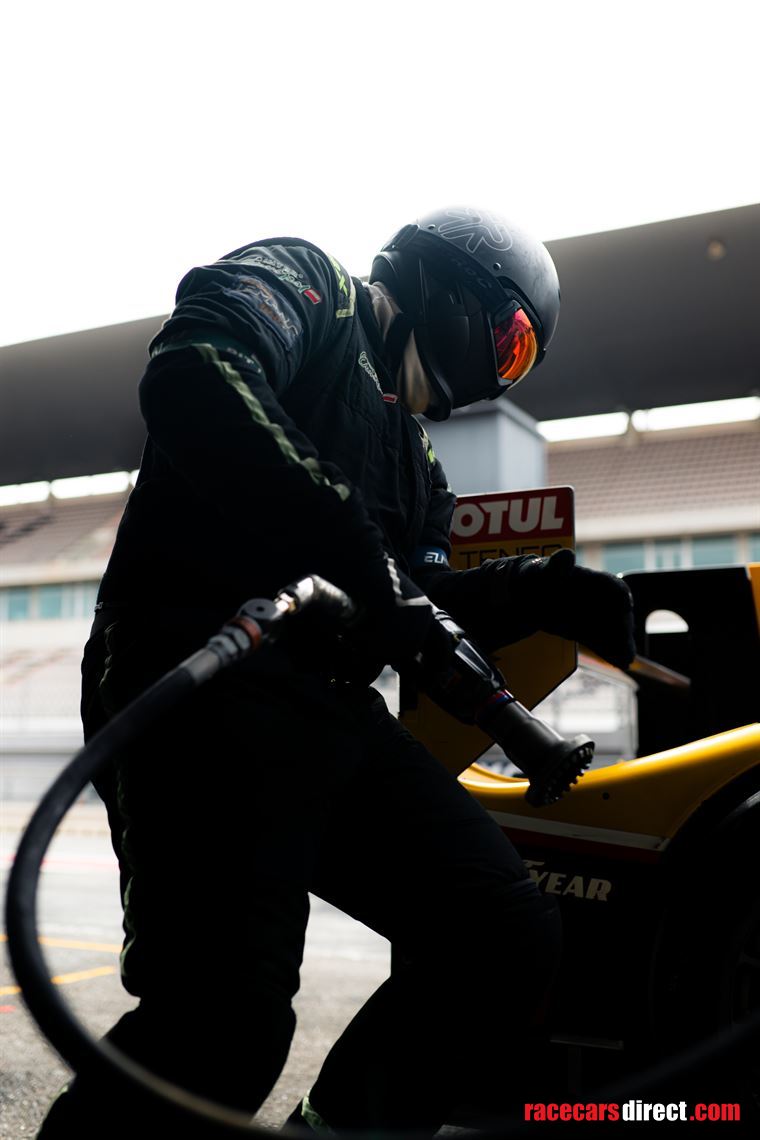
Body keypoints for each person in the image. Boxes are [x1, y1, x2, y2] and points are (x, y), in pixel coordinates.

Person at [38, 206, 634, 1137]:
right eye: (510, 345)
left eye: (523, 365)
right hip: (198, 672)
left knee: (501, 932)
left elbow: (417, 601)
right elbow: (195, 370)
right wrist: (346, 538)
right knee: (222, 1029)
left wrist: (537, 590)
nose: (501, 376)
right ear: (452, 289)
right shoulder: (310, 286)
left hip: (326, 706)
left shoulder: (419, 460)